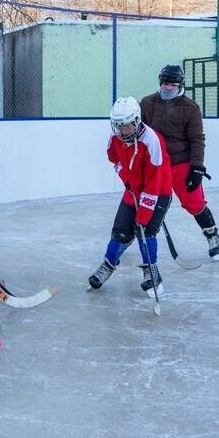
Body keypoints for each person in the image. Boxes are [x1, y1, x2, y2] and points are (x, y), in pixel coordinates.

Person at [89, 96, 172, 297]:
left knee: (145, 231)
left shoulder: (152, 140)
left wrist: (143, 214)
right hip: (132, 190)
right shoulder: (115, 138)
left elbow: (155, 181)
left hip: (158, 192)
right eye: (118, 126)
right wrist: (125, 175)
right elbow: (113, 157)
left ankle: (151, 272)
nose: (122, 130)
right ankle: (107, 266)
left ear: (136, 120)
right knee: (120, 232)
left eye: (127, 126)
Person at [140, 64, 219, 261]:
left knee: (193, 203)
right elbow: (141, 134)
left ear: (180, 86)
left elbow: (197, 139)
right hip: (157, 165)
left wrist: (197, 167)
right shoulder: (147, 103)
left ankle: (212, 236)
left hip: (181, 164)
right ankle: (130, 238)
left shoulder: (190, 108)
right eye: (165, 83)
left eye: (173, 84)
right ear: (160, 83)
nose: (168, 88)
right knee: (147, 202)